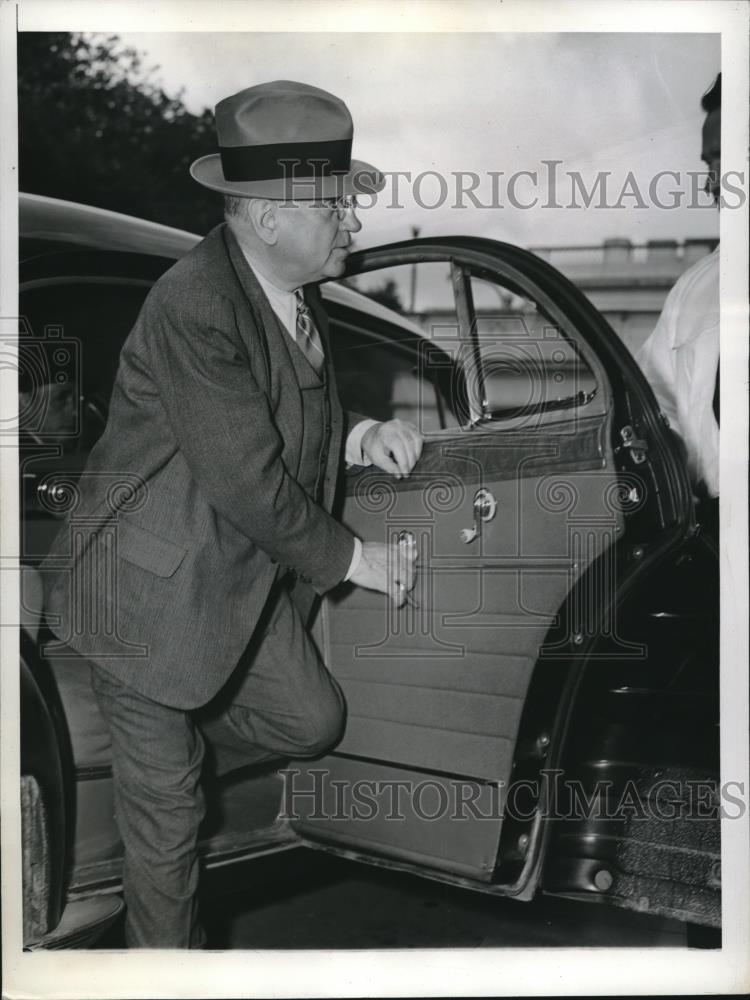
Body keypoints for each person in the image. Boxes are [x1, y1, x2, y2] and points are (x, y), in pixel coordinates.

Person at [41, 80, 423, 948]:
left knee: (313, 721)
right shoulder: (194, 303)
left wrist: (359, 432)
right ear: (267, 219)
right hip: (140, 597)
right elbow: (250, 479)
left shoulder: (292, 290)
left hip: (222, 579)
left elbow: (286, 411)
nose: (353, 224)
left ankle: (173, 722)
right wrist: (357, 559)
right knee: (170, 813)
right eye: (336, 207)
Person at [636, 72, 721, 507]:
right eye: (711, 161)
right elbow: (651, 408)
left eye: (726, 156)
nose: (715, 180)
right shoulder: (695, 289)